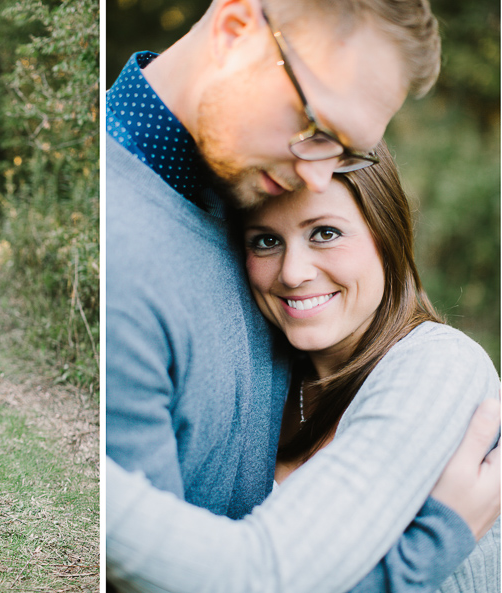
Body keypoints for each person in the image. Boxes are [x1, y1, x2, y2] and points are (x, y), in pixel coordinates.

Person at [105, 0, 500, 590]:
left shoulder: (237, 181)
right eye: (315, 128)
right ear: (237, 31)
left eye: (347, 152)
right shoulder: (126, 250)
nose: (319, 178)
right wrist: (425, 549)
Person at [240, 140, 499, 590]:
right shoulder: (268, 377)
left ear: (386, 234)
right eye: (266, 241)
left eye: (325, 233)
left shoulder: (439, 366)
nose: (292, 272)